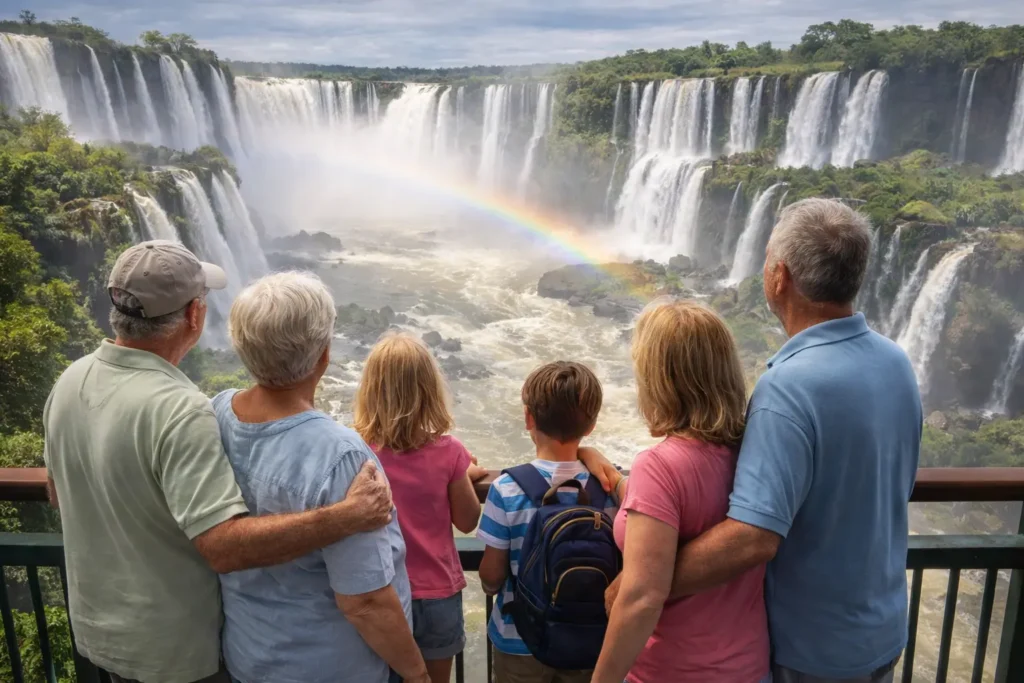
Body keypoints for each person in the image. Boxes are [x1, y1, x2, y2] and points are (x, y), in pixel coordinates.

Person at [42, 242, 393, 683]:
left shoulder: (70, 380)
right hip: (174, 648)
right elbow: (224, 548)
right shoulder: (179, 407)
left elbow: (57, 493)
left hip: (99, 631)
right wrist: (346, 516)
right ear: (194, 316)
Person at [610, 198, 922, 683]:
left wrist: (641, 583)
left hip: (811, 648)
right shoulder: (896, 364)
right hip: (882, 631)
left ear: (779, 276)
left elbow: (754, 538)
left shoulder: (789, 387)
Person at [212, 272, 429, 683]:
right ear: (323, 355)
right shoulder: (341, 455)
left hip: (250, 657)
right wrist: (417, 674)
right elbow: (364, 601)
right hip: (331, 667)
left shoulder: (218, 413)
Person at [590, 301, 769, 683]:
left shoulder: (658, 466)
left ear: (660, 379)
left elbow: (641, 599)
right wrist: (613, 476)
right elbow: (672, 509)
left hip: (673, 671)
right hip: (749, 667)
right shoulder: (753, 454)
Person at [354, 332, 489, 683]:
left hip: (380, 594)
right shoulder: (449, 452)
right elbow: (467, 520)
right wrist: (464, 472)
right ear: (429, 390)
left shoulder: (356, 453)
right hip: (436, 594)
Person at [477, 361, 614, 683]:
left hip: (519, 640)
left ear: (529, 418)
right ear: (591, 425)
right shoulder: (607, 487)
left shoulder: (506, 488)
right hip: (588, 639)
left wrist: (489, 586)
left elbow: (492, 574)